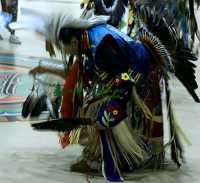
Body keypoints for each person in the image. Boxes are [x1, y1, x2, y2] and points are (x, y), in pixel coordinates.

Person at [11, 11, 199, 182]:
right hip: (125, 72)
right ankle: (115, 154)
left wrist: (108, 114)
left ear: (73, 42)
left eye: (63, 47)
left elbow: (123, 83)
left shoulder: (100, 45)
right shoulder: (88, 41)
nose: (64, 52)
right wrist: (47, 69)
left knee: (103, 113)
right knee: (96, 105)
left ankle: (120, 159)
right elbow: (85, 75)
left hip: (142, 71)